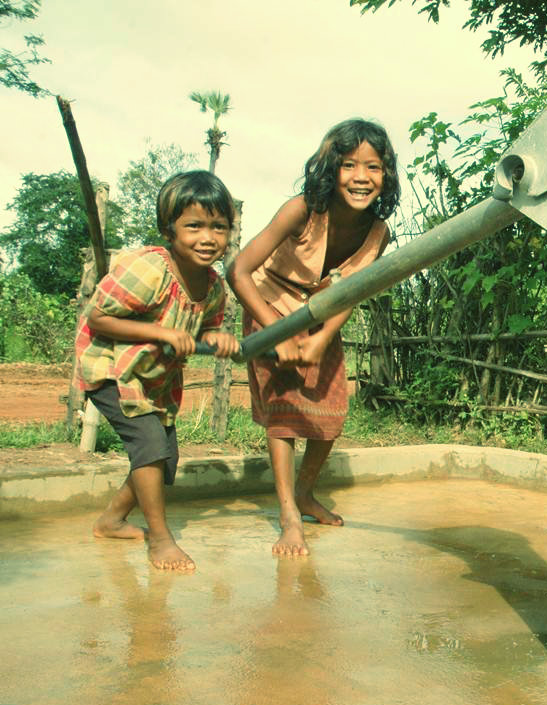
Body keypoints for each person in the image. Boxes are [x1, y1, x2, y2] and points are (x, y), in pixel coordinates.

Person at [230, 118, 397, 557]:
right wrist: (276, 333)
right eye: (349, 165)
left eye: (374, 167)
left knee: (330, 412)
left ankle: (305, 493)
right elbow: (239, 271)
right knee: (285, 414)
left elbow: (351, 291)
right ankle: (288, 517)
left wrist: (322, 339)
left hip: (322, 314)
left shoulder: (379, 233)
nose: (361, 177)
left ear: (387, 175)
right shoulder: (302, 209)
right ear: (330, 168)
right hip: (271, 307)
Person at [76, 170, 239, 571]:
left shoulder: (214, 286)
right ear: (170, 231)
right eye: (194, 226)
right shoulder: (151, 269)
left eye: (218, 227)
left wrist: (218, 336)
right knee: (149, 446)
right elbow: (98, 318)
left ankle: (111, 520)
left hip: (154, 376)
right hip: (113, 368)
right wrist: (159, 331)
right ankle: (161, 540)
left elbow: (211, 324)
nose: (208, 238)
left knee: (164, 457)